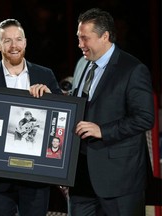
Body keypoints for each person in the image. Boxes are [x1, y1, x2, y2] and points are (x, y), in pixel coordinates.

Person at [69, 8, 155, 216]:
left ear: (104, 36)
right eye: (78, 38)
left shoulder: (133, 69)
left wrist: (103, 131)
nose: (80, 44)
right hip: (81, 176)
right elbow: (78, 104)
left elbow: (145, 118)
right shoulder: (82, 64)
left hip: (120, 179)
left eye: (85, 38)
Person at [0, 19, 63, 216]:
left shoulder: (45, 75)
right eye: (7, 41)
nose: (14, 46)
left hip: (36, 177)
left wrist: (50, 97)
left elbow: (60, 121)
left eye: (18, 39)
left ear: (25, 42)